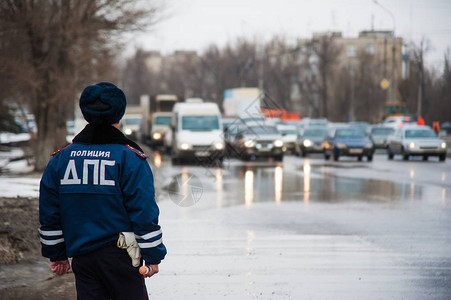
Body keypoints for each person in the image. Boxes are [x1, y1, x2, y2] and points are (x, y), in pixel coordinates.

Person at [39, 82, 167, 299]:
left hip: (82, 257)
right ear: (119, 114)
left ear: (85, 111)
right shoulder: (130, 158)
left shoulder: (61, 158)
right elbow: (143, 209)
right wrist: (153, 254)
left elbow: (50, 211)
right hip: (122, 257)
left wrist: (56, 254)